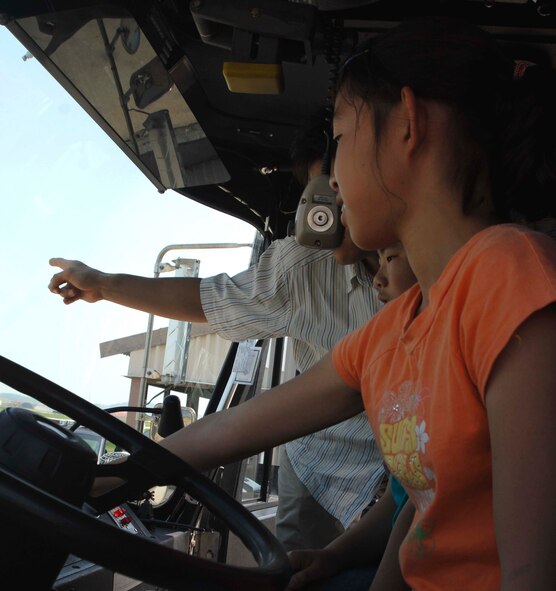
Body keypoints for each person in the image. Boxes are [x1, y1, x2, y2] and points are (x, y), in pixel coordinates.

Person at [53, 17, 556, 587]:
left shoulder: (508, 274)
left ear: (408, 125)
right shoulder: (401, 325)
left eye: (339, 141)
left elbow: (533, 572)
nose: (332, 180)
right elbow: (233, 430)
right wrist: (110, 476)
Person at [49, 110, 387, 552]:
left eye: (327, 192)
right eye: (312, 197)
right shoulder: (308, 273)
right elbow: (213, 306)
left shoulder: (436, 296)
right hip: (324, 465)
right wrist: (104, 284)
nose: (316, 217)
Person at [285, 242, 417, 591]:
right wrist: (333, 556)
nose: (378, 279)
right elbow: (403, 500)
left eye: (391, 258)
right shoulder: (393, 351)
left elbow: (421, 512)